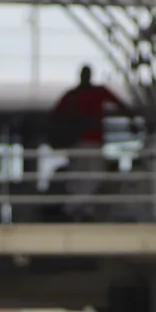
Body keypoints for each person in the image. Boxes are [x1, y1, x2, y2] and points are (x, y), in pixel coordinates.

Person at [51, 66, 126, 220]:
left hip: (86, 142)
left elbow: (55, 114)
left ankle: (80, 211)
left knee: (87, 177)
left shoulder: (75, 94)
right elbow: (121, 105)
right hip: (83, 142)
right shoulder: (77, 94)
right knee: (86, 177)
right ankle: (73, 209)